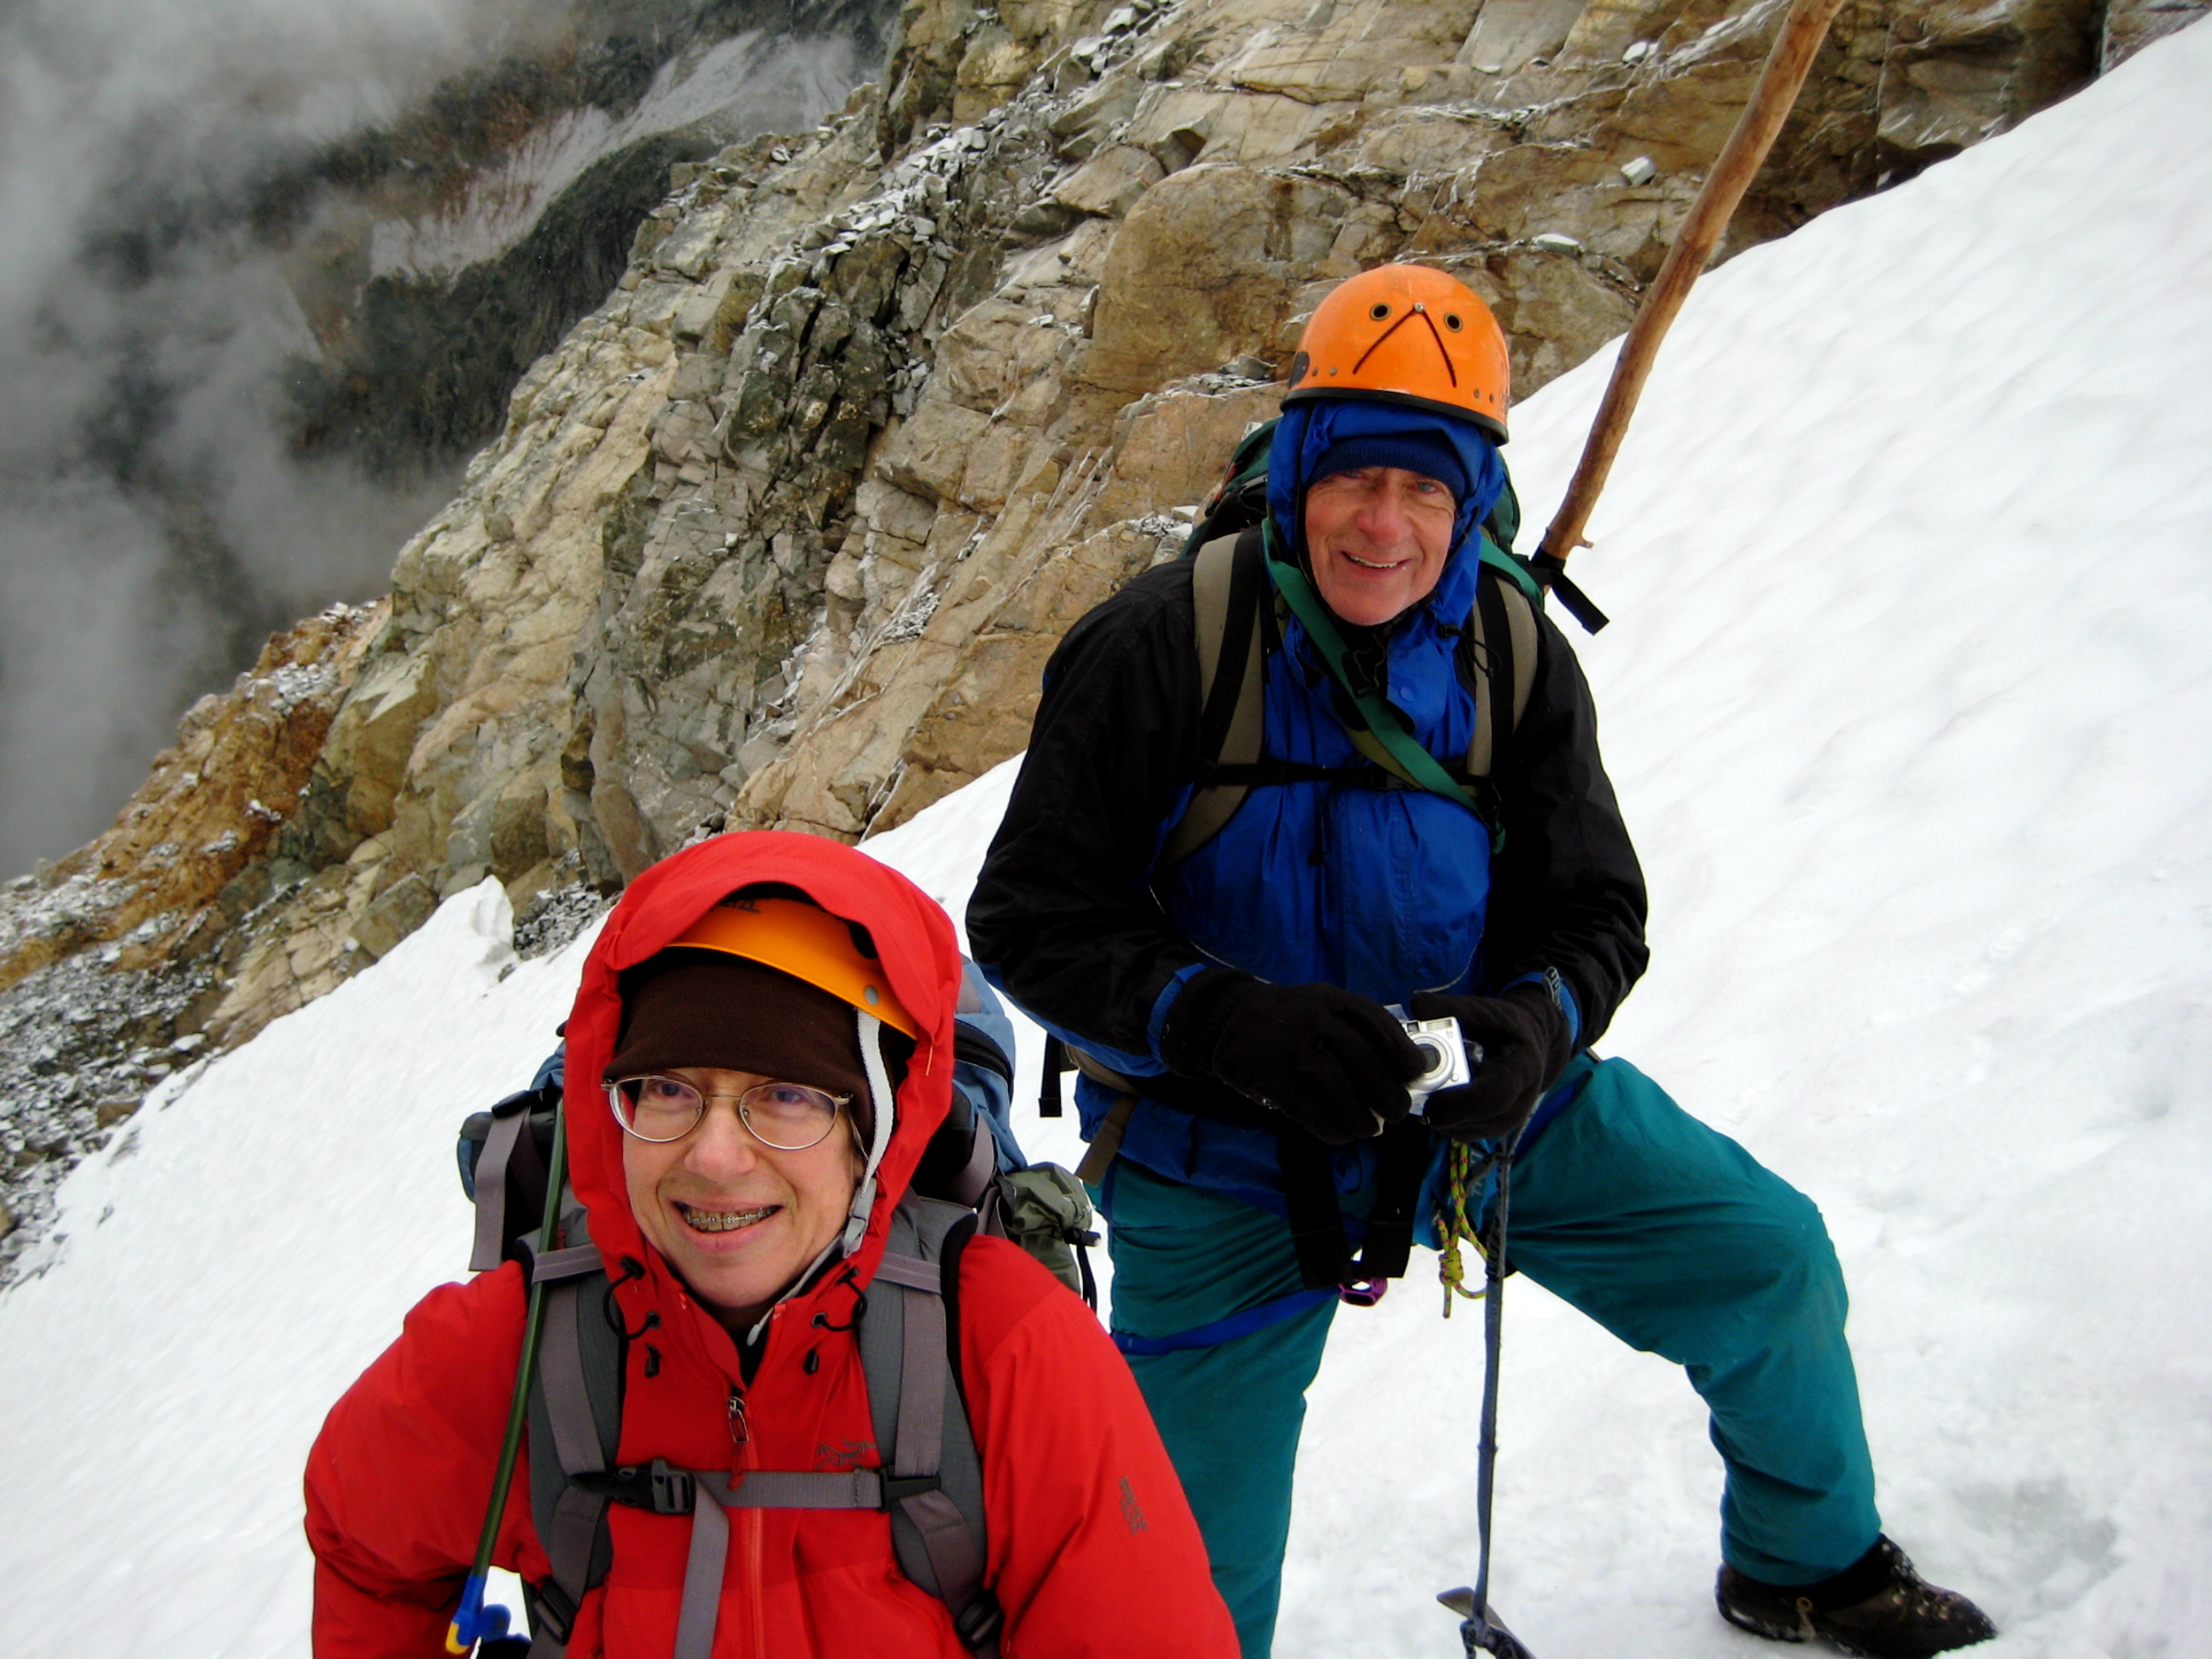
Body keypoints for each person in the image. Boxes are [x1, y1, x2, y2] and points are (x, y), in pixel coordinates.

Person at [966, 265, 1996, 1658]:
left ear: (1467, 504)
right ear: (1303, 472)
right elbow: (1030, 911)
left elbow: (1596, 905)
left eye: (1428, 490)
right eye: (1356, 478)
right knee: (1175, 1581)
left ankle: (1800, 1562)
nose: (1384, 525)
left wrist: (1533, 1024)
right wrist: (1217, 1017)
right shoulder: (1164, 644)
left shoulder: (1508, 648)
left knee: (1762, 1256)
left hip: (1476, 1116)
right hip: (1216, 1157)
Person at [306, 830, 1239, 1657]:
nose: (714, 1157)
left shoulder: (1009, 1346)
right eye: (666, 1088)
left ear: (870, 1132)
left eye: (788, 1096)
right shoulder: (514, 1349)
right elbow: (361, 1538)